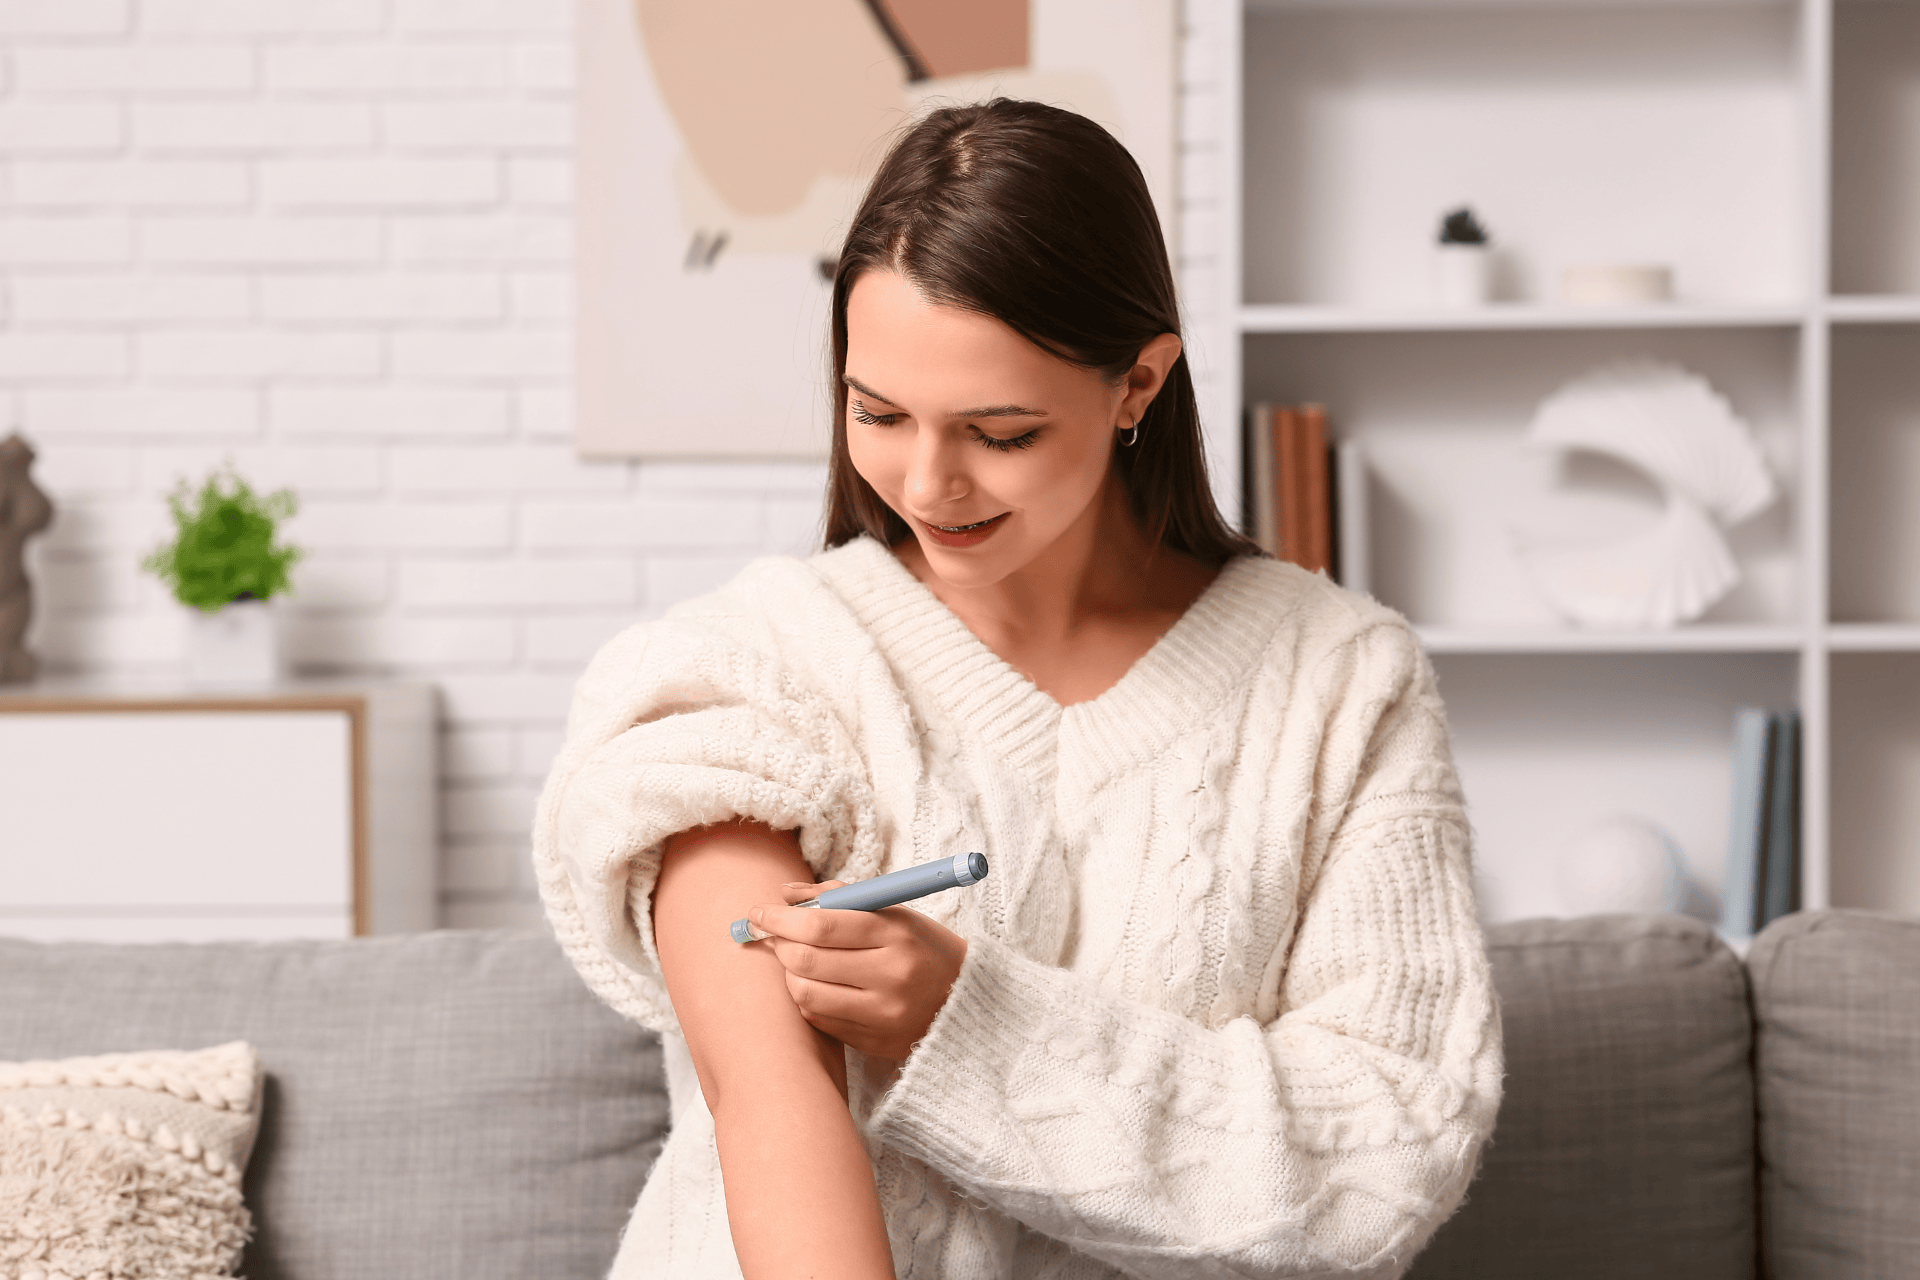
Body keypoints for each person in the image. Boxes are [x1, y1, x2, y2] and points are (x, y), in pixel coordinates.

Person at [535, 98, 1502, 1280]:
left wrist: (969, 1020)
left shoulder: (1343, 686)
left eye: (1000, 430)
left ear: (1139, 384)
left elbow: (1388, 1155)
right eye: (877, 412)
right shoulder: (751, 672)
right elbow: (771, 1105)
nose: (928, 482)